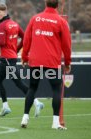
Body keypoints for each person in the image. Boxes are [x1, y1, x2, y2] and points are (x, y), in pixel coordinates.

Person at [21, 0, 71, 130]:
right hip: (52, 62)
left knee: (32, 88)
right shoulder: (61, 22)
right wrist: (67, 63)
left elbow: (26, 39)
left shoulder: (35, 18)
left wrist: (24, 57)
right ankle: (55, 123)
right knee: (56, 90)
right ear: (58, 5)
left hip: (35, 61)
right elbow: (67, 45)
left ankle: (25, 117)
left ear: (45, 4)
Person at [0, 3, 44, 117]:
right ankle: (5, 107)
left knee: (19, 83)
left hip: (7, 59)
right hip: (9, 58)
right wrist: (16, 49)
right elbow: (25, 37)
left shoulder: (2, 25)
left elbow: (1, 42)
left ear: (5, 11)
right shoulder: (14, 24)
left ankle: (37, 102)